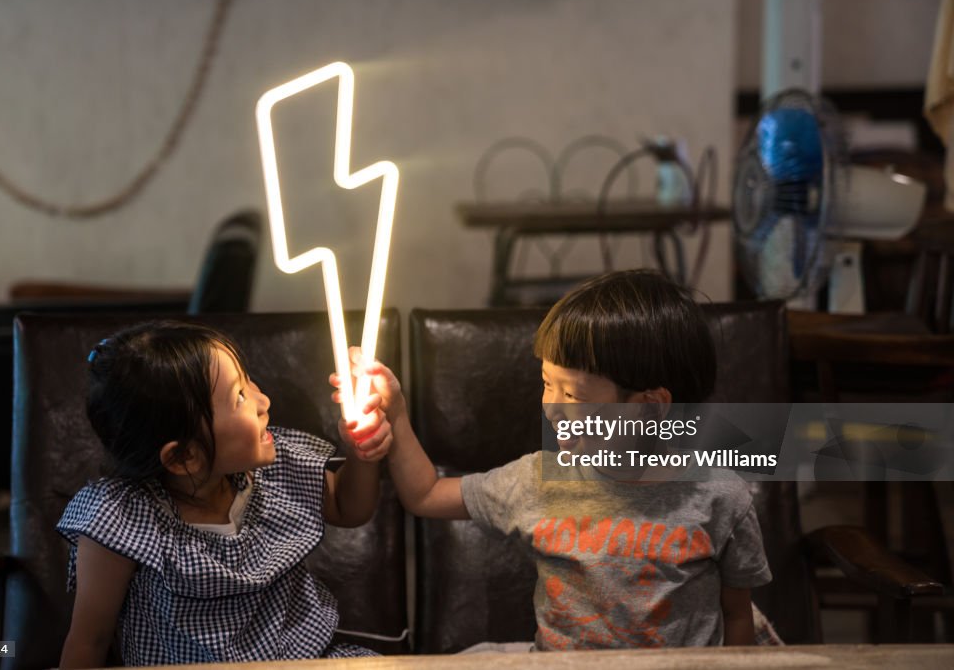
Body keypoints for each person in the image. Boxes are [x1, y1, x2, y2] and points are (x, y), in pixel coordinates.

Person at [334, 269, 775, 650]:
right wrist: (397, 412)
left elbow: (737, 615)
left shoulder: (721, 497)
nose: (552, 407)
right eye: (548, 383)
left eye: (573, 394)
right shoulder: (539, 480)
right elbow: (426, 493)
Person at [57, 320, 390, 668]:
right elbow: (89, 642)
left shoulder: (274, 470)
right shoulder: (120, 521)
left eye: (248, 379)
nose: (263, 400)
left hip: (306, 660)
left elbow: (347, 507)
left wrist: (361, 454)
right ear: (184, 456)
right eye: (240, 396)